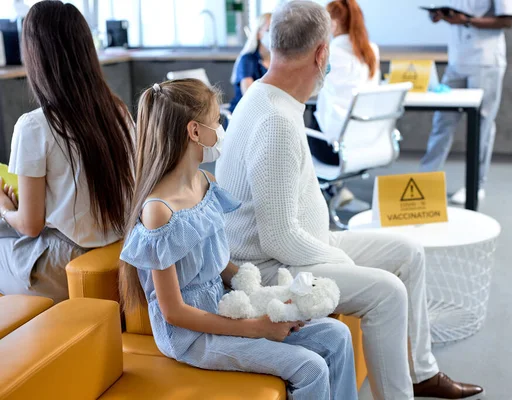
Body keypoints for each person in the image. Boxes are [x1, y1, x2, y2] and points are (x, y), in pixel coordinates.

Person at [216, 1, 484, 399]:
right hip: (273, 266)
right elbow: (277, 239)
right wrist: (339, 259)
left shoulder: (273, 100)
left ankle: (421, 372)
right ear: (322, 52)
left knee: (409, 253)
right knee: (388, 292)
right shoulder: (273, 120)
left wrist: (329, 249)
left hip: (305, 244)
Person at [119, 79, 358, 400]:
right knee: (309, 367)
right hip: (192, 336)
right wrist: (257, 328)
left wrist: (275, 300)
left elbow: (220, 266)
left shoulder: (206, 182)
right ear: (194, 131)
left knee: (336, 334)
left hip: (225, 309)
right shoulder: (158, 212)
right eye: (217, 121)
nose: (220, 128)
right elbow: (173, 312)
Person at [0, 1, 134, 303]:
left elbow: (31, 226)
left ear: (35, 54)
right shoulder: (118, 113)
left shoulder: (34, 126)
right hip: (119, 251)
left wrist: (5, 208)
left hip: (63, 264)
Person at [419, 0, 512, 205]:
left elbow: (507, 20)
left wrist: (466, 20)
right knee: (442, 121)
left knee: (482, 125)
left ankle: (476, 185)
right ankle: (425, 179)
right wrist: (441, 15)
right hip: (457, 60)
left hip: (486, 59)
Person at [309, 0, 380, 166]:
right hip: (366, 144)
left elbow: (311, 88)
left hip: (333, 148)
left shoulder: (330, 52)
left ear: (333, 24)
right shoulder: (372, 51)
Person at [229, 13, 272, 112]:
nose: (272, 35)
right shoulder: (247, 60)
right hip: (245, 114)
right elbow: (249, 96)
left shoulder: (277, 62)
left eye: (275, 31)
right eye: (268, 30)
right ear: (258, 34)